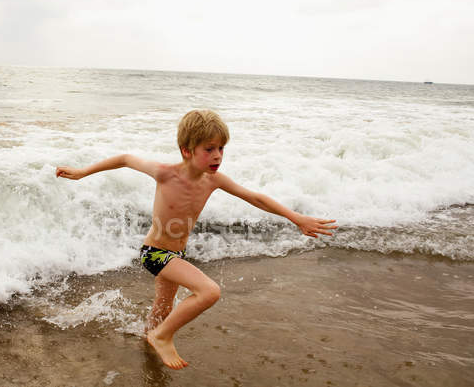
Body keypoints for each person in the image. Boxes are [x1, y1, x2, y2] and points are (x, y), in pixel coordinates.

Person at [55, 110, 337, 370]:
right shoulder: (165, 173)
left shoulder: (213, 180)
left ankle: (148, 343)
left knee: (163, 308)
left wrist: (296, 217)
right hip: (153, 252)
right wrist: (82, 173)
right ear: (187, 150)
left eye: (221, 149)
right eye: (209, 149)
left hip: (175, 256)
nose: (217, 156)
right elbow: (126, 159)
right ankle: (161, 337)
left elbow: (255, 197)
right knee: (209, 292)